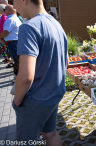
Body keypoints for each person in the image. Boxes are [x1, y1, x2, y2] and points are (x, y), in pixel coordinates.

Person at [13, 0, 68, 145]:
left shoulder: (28, 27)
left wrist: (17, 100)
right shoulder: (56, 24)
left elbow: (25, 77)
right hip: (54, 95)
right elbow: (66, 61)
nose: (13, 6)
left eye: (14, 1)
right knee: (50, 133)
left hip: (36, 100)